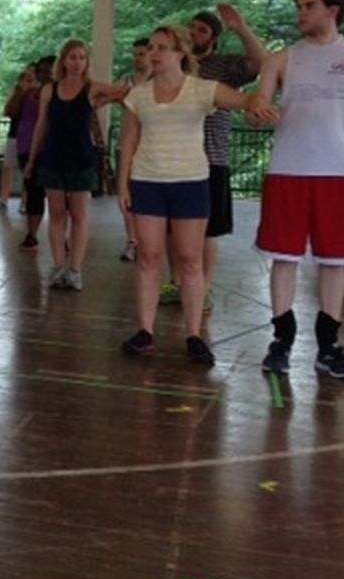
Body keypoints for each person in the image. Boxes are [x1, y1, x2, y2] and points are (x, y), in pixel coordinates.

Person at [252, 0, 344, 382]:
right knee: (284, 256)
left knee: (335, 260)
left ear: (333, 9)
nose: (301, 13)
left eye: (309, 5)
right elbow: (257, 104)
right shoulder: (281, 59)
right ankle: (282, 340)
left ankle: (328, 347)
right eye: (298, 6)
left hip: (339, 173)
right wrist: (257, 110)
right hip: (287, 169)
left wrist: (341, 135)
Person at [117, 25, 274, 366]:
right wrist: (122, 184)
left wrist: (257, 102)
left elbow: (243, 98)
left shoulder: (203, 89)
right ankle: (145, 331)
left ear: (180, 54)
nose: (154, 53)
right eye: (152, 47)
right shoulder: (139, 94)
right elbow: (128, 142)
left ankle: (194, 334)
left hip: (190, 183)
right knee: (149, 257)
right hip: (148, 182)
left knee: (190, 259)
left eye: (163, 48)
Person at [175, 4, 271, 304]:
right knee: (171, 228)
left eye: (202, 29)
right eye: (192, 27)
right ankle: (175, 283)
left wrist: (242, 28)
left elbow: (263, 63)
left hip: (212, 159)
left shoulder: (225, 66)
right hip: (175, 159)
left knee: (207, 230)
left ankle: (202, 289)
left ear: (214, 38)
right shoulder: (175, 65)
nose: (194, 32)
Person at [23, 40, 126, 290]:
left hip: (81, 159)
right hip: (54, 157)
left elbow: (122, 91)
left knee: (79, 215)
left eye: (81, 57)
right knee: (57, 214)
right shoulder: (50, 90)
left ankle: (75, 269)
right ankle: (59, 267)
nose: (77, 62)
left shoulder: (91, 89)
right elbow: (41, 127)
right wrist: (32, 159)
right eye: (72, 57)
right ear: (64, 61)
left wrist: (105, 101)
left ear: (86, 61)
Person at [115, 38, 152, 261]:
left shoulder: (157, 81)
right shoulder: (125, 83)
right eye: (135, 54)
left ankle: (146, 239)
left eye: (142, 54)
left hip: (149, 147)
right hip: (127, 145)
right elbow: (109, 94)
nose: (138, 58)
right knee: (126, 195)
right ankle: (132, 239)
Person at [16, 55, 54, 252]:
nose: (46, 74)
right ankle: (32, 233)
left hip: (52, 148)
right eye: (42, 71)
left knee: (58, 195)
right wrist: (20, 90)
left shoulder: (61, 94)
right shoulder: (30, 94)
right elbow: (11, 110)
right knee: (33, 191)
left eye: (49, 70)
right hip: (27, 146)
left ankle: (61, 235)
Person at [0, 66, 37, 215]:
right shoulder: (17, 92)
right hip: (14, 134)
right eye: (26, 77)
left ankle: (25, 202)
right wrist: (20, 92)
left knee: (27, 170)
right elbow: (9, 111)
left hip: (31, 136)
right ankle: (3, 201)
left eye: (32, 76)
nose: (29, 79)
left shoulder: (38, 94)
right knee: (8, 167)